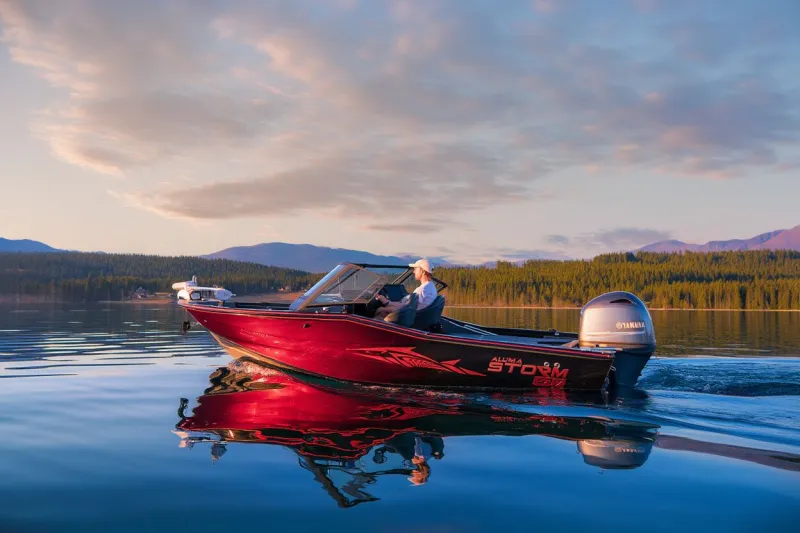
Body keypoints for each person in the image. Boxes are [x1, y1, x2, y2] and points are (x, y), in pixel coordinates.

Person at [373, 259, 437, 318]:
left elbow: (406, 307)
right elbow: (408, 306)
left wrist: (386, 304)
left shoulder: (422, 290)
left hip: (410, 317)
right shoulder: (431, 287)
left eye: (416, 269)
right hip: (415, 316)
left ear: (423, 272)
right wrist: (388, 304)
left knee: (380, 311)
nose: (413, 272)